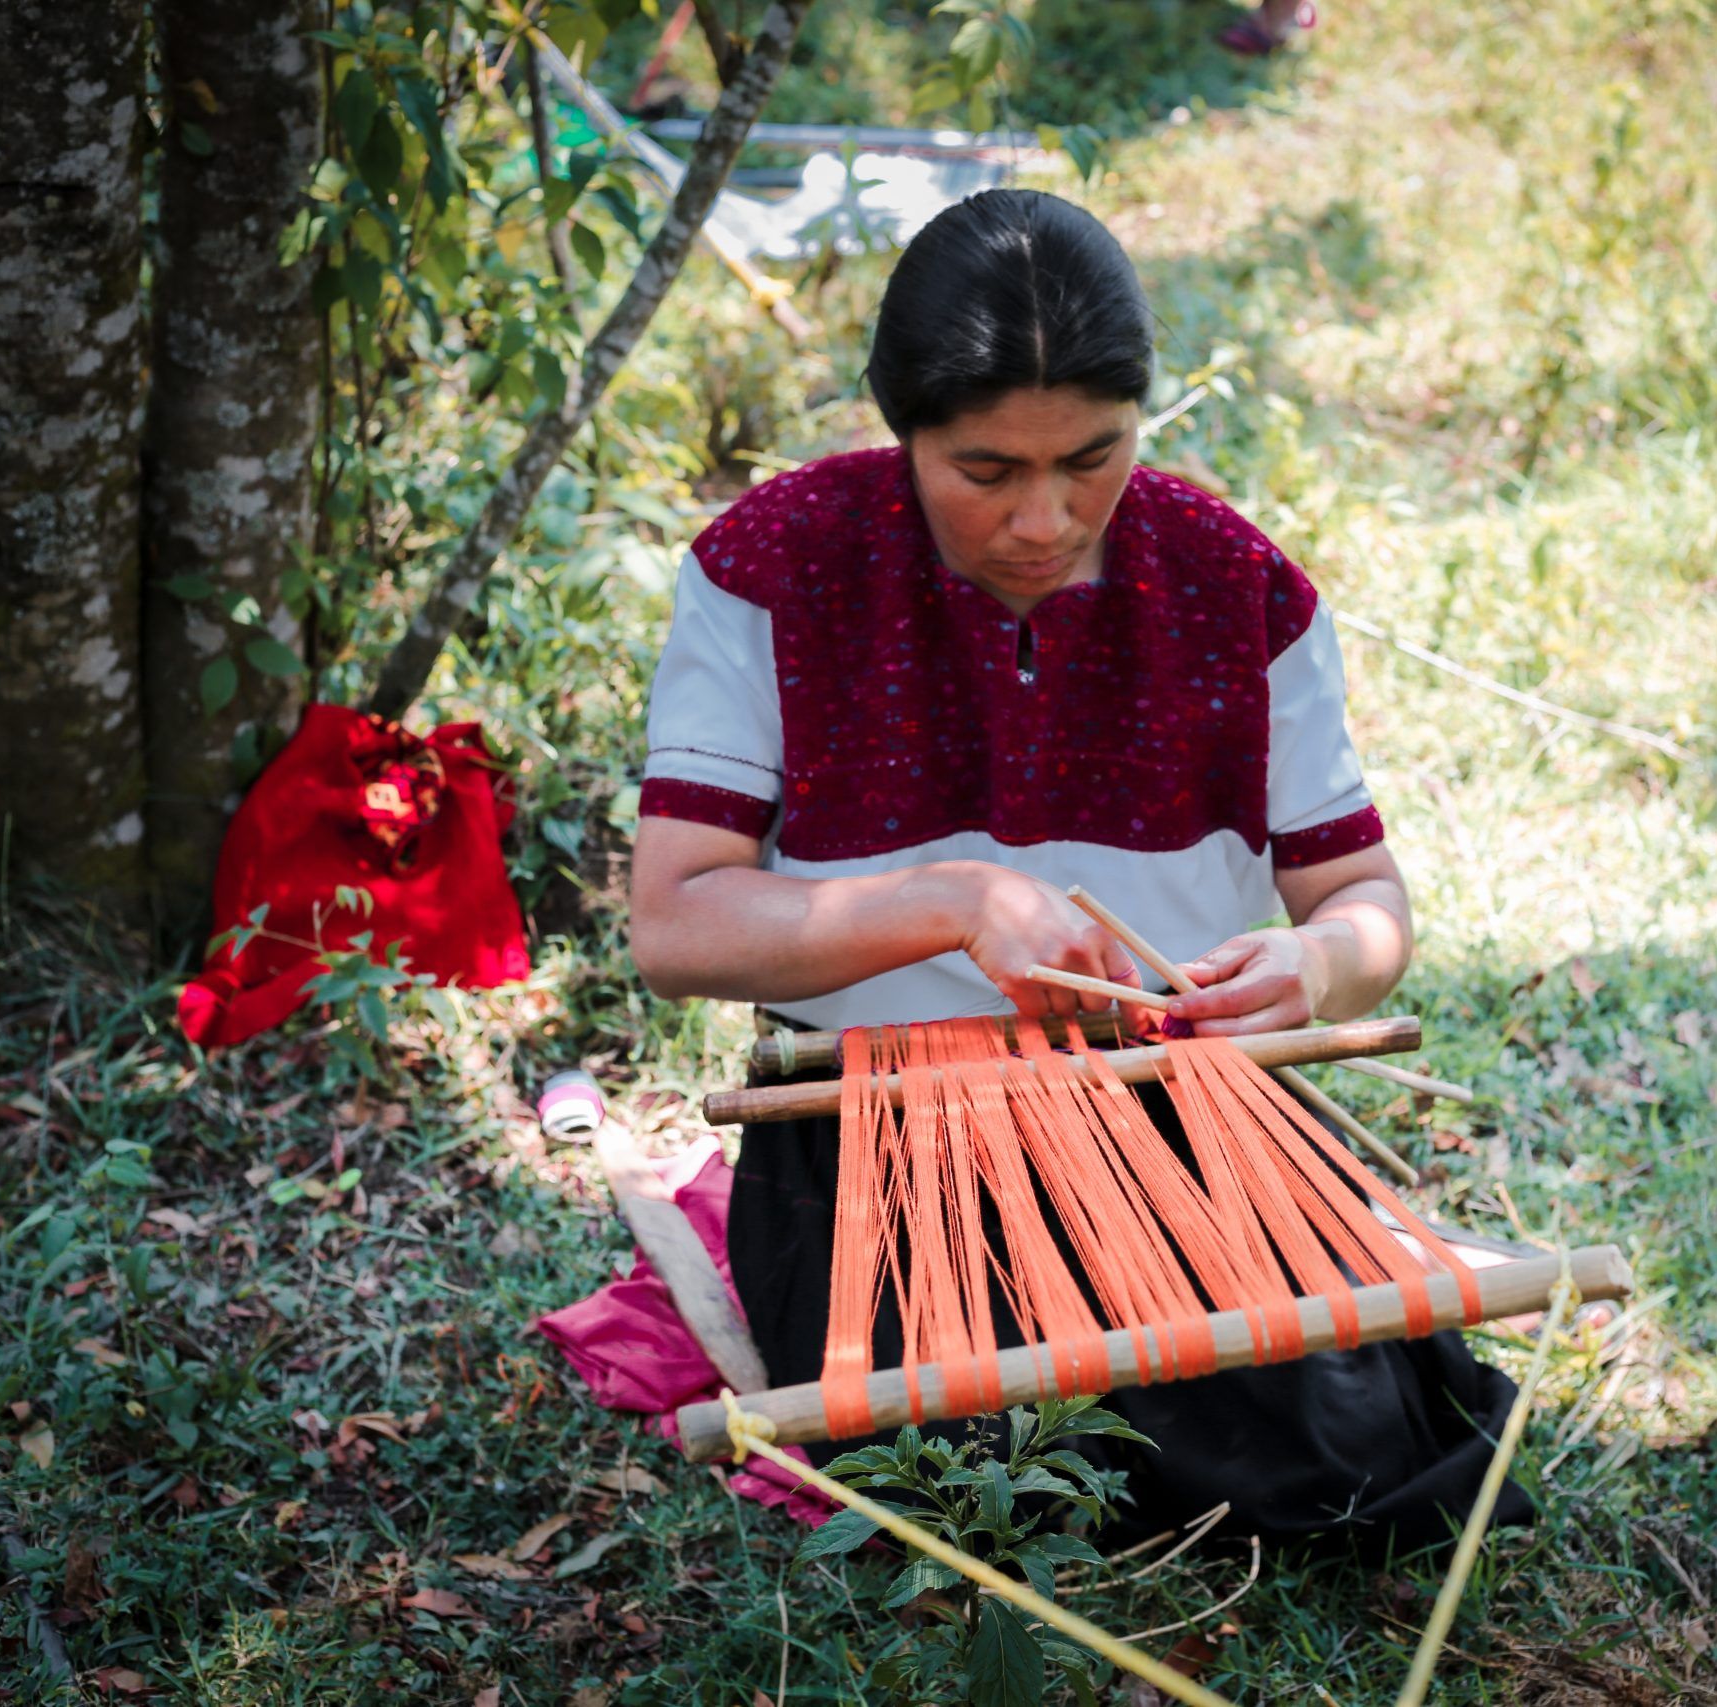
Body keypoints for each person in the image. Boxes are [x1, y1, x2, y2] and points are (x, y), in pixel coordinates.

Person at [625, 188, 1523, 1548]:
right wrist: (951, 901)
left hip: (1170, 1104)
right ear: (902, 429)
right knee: (978, 1444)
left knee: (1346, 1457)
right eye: (985, 471)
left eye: (1092, 460)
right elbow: (676, 925)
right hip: (884, 1131)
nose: (1043, 519)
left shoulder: (1236, 588)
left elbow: (1365, 903)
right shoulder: (776, 567)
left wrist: (1316, 963)